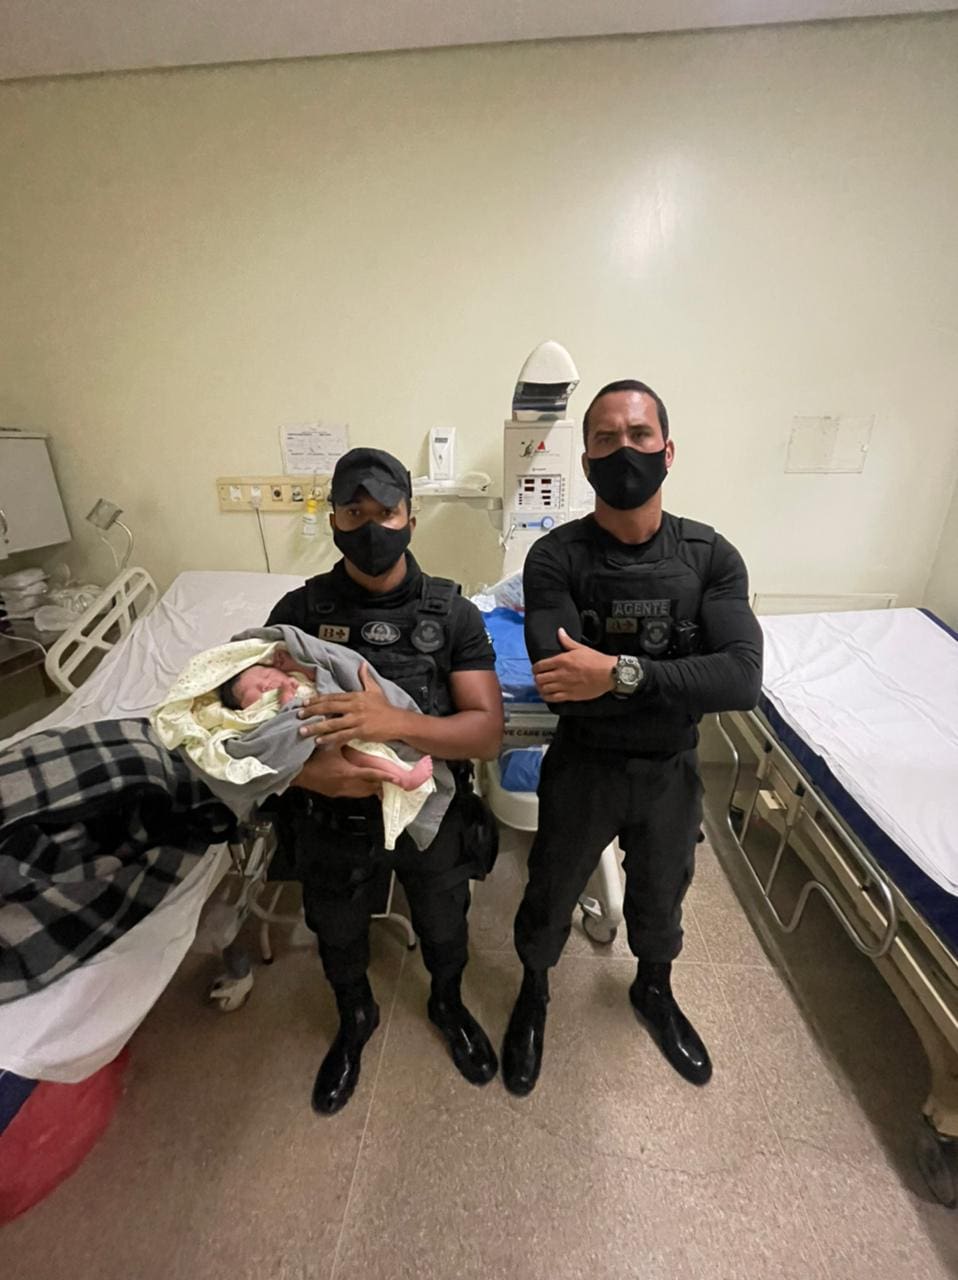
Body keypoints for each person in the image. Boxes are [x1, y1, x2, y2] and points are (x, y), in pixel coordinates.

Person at [501, 379, 763, 1096]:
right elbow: (561, 678)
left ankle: (653, 989)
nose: (625, 450)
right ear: (586, 460)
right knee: (550, 889)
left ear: (667, 451)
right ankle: (533, 991)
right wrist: (679, 675)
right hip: (584, 764)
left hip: (670, 767)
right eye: (606, 438)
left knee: (663, 892)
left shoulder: (711, 557)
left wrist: (618, 673)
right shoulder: (554, 559)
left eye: (640, 435)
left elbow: (741, 679)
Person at [266, 447, 504, 1115]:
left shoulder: (452, 614)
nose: (371, 527)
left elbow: (485, 733)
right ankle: (355, 1018)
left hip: (429, 811)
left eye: (386, 512)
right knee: (336, 930)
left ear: (410, 518)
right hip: (330, 816)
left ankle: (447, 1003)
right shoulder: (299, 610)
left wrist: (393, 720)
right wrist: (312, 777)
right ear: (334, 522)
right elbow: (250, 722)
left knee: (444, 924)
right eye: (354, 513)